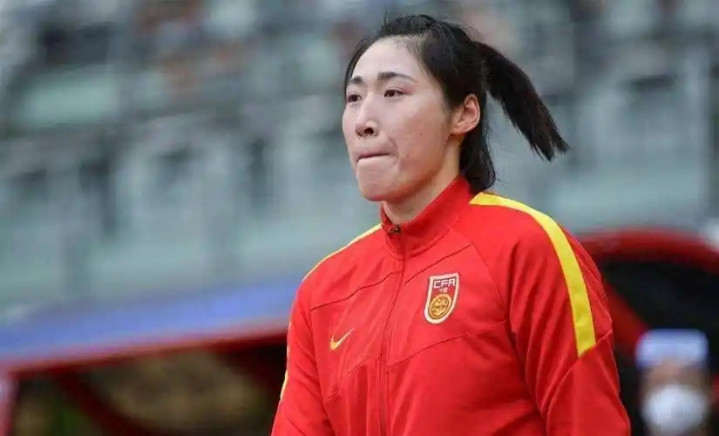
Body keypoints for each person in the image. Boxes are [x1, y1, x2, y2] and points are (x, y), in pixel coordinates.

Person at [272, 14, 630, 435]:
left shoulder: (527, 247)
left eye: (393, 92)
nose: (363, 121)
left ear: (464, 114)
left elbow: (588, 422)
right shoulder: (322, 294)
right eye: (353, 98)